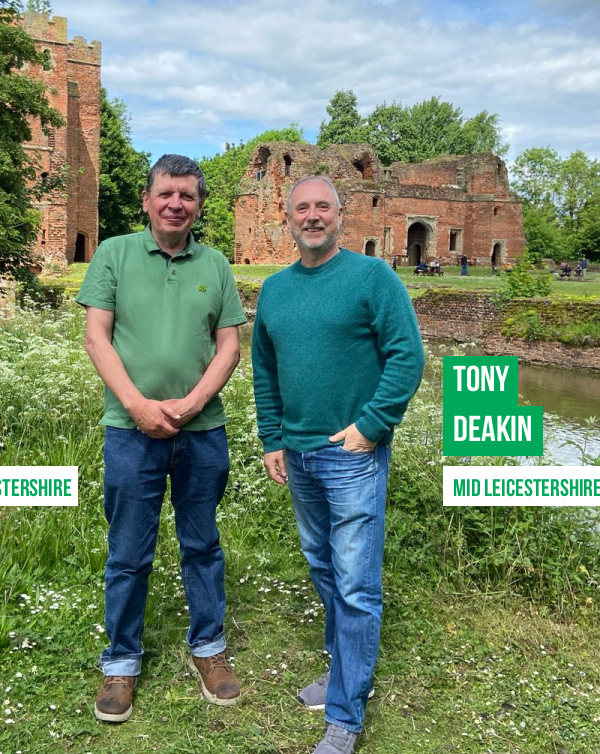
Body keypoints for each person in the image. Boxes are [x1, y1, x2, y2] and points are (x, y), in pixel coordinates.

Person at [252, 176, 425, 754]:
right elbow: (266, 371)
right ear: (288, 218)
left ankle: (346, 715)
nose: (312, 216)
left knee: (355, 584)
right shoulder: (274, 290)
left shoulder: (372, 278)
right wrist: (272, 437)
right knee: (323, 565)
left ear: (342, 215)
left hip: (351, 452)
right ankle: (342, 668)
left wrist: (372, 425)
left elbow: (408, 356)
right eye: (302, 207)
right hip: (298, 453)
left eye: (323, 206)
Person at [76, 154, 247, 723]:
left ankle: (209, 649)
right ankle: (121, 662)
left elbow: (229, 346)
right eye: (166, 193)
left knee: (202, 544)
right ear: (147, 201)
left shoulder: (217, 264)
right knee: (128, 552)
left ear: (199, 206)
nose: (177, 204)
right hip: (131, 431)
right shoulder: (114, 254)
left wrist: (193, 402)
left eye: (188, 196)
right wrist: (137, 405)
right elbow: (97, 338)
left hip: (202, 433)